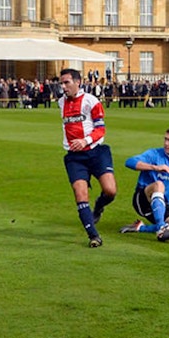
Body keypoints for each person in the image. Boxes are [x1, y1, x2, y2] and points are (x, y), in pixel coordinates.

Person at [58, 68, 116, 248]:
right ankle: (94, 235)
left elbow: (101, 129)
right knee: (81, 195)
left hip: (96, 152)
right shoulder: (61, 102)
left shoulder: (91, 101)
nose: (63, 86)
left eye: (66, 82)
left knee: (110, 191)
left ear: (78, 82)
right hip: (75, 157)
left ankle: (99, 207)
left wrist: (85, 140)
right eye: (61, 83)